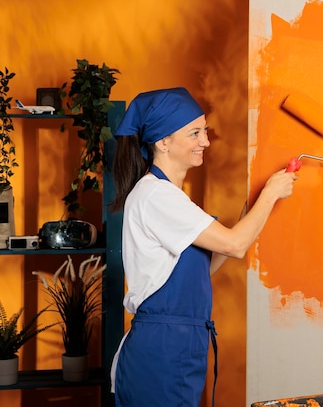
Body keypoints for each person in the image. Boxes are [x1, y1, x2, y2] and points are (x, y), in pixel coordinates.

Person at [108, 87, 297, 407]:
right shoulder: (157, 196)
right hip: (161, 351)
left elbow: (202, 270)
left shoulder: (171, 197)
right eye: (194, 133)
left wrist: (252, 209)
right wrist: (271, 194)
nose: (205, 141)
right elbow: (236, 246)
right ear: (162, 142)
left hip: (181, 345)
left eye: (205, 131)